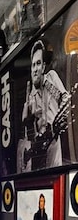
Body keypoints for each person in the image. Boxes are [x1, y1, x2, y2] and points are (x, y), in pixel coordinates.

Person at [21, 39, 70, 171]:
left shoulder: (51, 78)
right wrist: (27, 119)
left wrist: (60, 119)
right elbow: (29, 136)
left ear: (43, 67)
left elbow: (64, 97)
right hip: (38, 151)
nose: (35, 69)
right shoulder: (31, 96)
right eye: (33, 65)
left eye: (38, 64)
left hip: (53, 144)